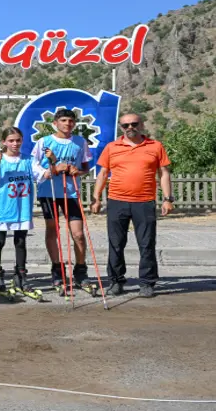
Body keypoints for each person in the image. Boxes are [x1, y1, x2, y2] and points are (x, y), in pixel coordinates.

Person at [91, 114, 173, 298]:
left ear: (141, 124)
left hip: (144, 202)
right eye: (125, 125)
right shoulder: (112, 147)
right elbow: (103, 173)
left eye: (134, 124)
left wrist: (168, 199)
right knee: (116, 244)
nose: (130, 127)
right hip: (117, 201)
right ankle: (116, 281)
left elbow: (164, 173)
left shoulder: (155, 146)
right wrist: (96, 198)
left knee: (146, 244)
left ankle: (147, 283)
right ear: (121, 127)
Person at [32, 109, 92, 292]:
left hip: (71, 192)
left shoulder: (80, 142)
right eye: (64, 120)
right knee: (53, 229)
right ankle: (57, 269)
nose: (68, 124)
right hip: (49, 191)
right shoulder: (44, 142)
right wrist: (51, 170)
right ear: (56, 123)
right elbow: (33, 165)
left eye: (71, 121)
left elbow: (85, 167)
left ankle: (80, 271)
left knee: (78, 234)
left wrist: (77, 171)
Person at [0, 127, 48, 292]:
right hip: (4, 208)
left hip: (22, 208)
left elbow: (43, 175)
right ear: (4, 142)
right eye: (11, 140)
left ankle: (20, 274)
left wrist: (53, 162)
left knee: (20, 242)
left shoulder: (29, 159)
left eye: (18, 140)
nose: (15, 144)